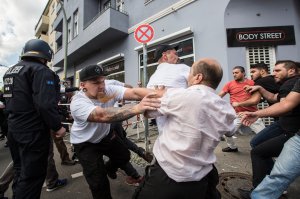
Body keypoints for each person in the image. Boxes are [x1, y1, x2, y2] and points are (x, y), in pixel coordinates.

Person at [133, 58, 236, 199]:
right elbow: (231, 131)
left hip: (168, 174)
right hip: (202, 176)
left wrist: (155, 96)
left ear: (198, 77)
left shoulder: (180, 95)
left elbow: (148, 112)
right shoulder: (226, 109)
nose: (187, 76)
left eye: (190, 73)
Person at [70, 64, 160, 199]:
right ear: (83, 85)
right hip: (85, 144)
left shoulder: (107, 91)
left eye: (102, 81)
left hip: (105, 136)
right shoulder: (78, 102)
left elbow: (134, 92)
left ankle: (109, 168)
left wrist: (165, 95)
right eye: (95, 82)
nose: (101, 86)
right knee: (98, 183)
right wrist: (137, 108)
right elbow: (102, 115)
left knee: (124, 156)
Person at [2, 39, 66, 199]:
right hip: (33, 132)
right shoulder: (41, 70)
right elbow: (45, 105)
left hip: (14, 128)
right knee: (32, 177)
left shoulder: (10, 71)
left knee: (20, 170)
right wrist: (58, 126)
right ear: (45, 55)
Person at [237, 60, 300, 198]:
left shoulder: (289, 83)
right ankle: (271, 183)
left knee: (258, 152)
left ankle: (261, 188)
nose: (274, 73)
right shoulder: (291, 83)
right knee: (256, 143)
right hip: (283, 125)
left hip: (290, 130)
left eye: (278, 70)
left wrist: (255, 112)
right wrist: (260, 89)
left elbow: (284, 106)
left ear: (291, 71)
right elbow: (274, 97)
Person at [232, 62, 280, 148]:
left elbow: (254, 100)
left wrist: (238, 103)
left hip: (283, 115)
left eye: (253, 72)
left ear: (262, 72)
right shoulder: (274, 79)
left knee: (256, 142)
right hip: (284, 112)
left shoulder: (260, 82)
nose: (251, 74)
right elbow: (273, 96)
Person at [219, 66, 265, 152]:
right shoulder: (230, 84)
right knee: (227, 132)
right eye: (233, 73)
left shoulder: (252, 83)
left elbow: (257, 97)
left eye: (236, 72)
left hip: (252, 114)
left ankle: (269, 150)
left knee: (264, 134)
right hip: (237, 115)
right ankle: (232, 147)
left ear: (243, 73)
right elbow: (220, 95)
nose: (234, 74)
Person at [146, 44, 190, 133]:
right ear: (165, 56)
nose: (178, 57)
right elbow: (200, 86)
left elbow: (150, 110)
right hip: (187, 130)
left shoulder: (152, 79)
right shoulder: (182, 68)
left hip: (164, 134)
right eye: (175, 54)